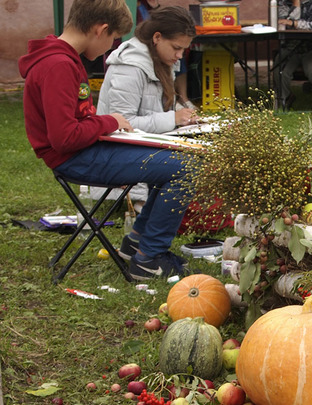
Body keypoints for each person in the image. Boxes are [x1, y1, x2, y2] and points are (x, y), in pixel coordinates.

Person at [18, 0, 192, 281]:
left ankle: (138, 244)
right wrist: (109, 120)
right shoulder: (58, 65)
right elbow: (64, 138)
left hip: (85, 150)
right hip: (75, 158)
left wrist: (106, 124)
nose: (112, 46)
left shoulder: (62, 58)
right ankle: (150, 259)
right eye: (113, 38)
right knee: (186, 168)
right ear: (101, 29)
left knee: (178, 158)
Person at [97, 6, 197, 133]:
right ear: (157, 37)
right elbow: (121, 125)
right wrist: (173, 119)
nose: (180, 55)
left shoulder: (161, 59)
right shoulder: (129, 67)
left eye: (183, 49)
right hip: (118, 147)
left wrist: (185, 119)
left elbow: (154, 112)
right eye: (176, 48)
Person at [274, 0, 312, 110]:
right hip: (291, 47)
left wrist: (295, 24)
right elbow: (283, 25)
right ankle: (286, 98)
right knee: (279, 69)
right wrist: (296, 6)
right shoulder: (283, 3)